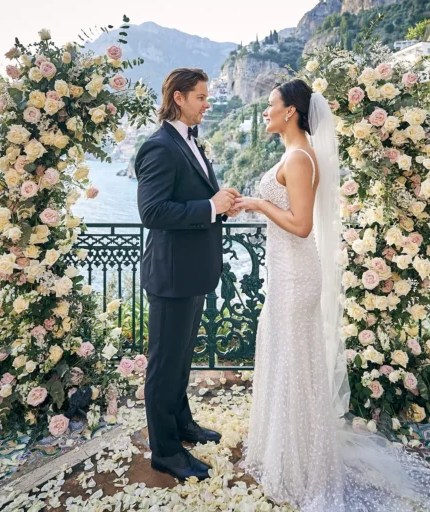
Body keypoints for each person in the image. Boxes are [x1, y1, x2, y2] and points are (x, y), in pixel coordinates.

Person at [232, 79, 430, 511]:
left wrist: (258, 205)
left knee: (294, 364)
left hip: (296, 275)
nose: (265, 112)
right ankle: (287, 455)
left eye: (271, 105)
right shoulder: (292, 154)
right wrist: (252, 202)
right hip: (286, 272)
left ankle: (299, 469)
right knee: (288, 361)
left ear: (291, 112)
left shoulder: (298, 158)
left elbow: (300, 226)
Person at [135, 68, 241, 481]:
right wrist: (211, 206)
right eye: (200, 97)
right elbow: (153, 213)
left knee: (180, 360)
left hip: (192, 273)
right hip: (170, 276)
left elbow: (196, 200)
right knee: (163, 365)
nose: (206, 103)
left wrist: (220, 205)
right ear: (178, 98)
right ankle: (165, 452)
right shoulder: (159, 147)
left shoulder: (189, 142)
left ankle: (182, 425)